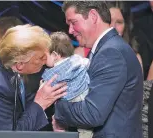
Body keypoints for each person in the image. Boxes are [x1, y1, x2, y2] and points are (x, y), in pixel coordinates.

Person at [53, 1, 143, 138]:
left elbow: (92, 113)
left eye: (73, 22)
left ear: (93, 16)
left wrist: (58, 106)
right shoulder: (105, 49)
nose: (70, 30)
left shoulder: (111, 52)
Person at [41, 32, 92, 137]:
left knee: (61, 122)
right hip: (85, 94)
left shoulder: (55, 71)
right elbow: (87, 63)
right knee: (85, 128)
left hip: (72, 99)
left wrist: (42, 84)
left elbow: (48, 84)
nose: (43, 59)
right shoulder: (76, 59)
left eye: (45, 56)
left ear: (55, 55)